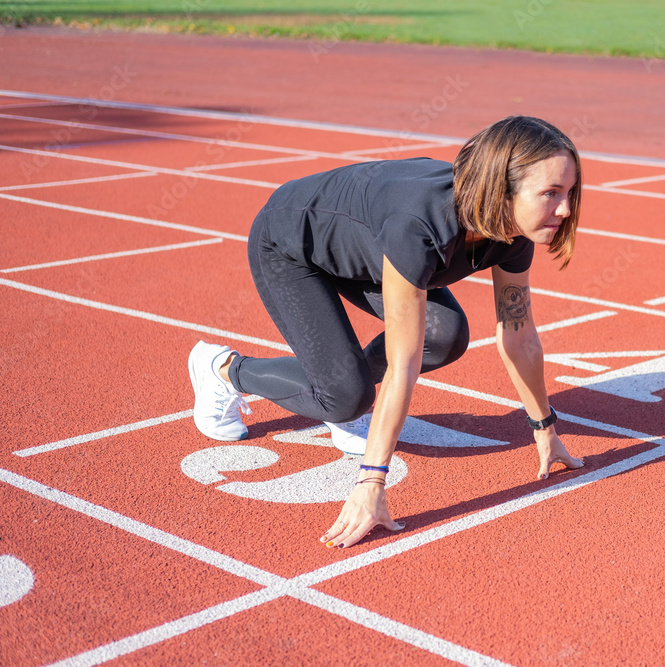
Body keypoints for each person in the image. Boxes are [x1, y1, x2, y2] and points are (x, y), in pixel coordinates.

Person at [188, 115, 585, 549]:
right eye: (550, 194)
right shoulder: (418, 225)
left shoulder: (514, 232)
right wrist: (372, 484)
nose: (564, 210)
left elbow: (520, 335)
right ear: (500, 189)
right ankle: (224, 370)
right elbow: (403, 364)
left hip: (365, 250)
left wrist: (545, 430)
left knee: (445, 335)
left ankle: (339, 378)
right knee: (345, 396)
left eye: (568, 193)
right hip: (289, 245)